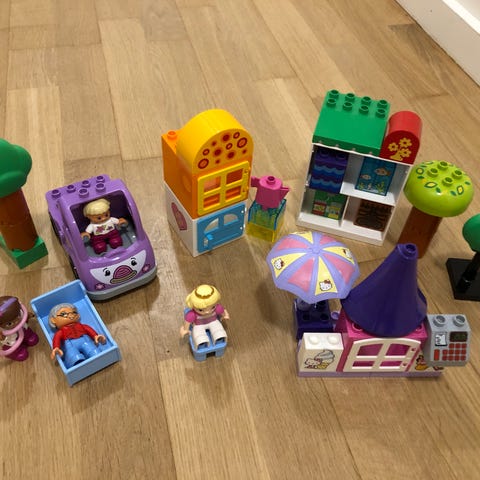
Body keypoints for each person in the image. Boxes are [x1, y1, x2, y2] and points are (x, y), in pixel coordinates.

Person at [49, 303, 106, 368]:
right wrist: (56, 348)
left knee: (92, 350)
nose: (71, 316)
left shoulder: (82, 326)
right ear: (53, 320)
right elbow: (56, 339)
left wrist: (95, 336)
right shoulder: (60, 332)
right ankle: (77, 364)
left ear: (78, 315)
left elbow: (89, 329)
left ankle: (96, 357)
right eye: (64, 314)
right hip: (69, 345)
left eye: (74, 313)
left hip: (84, 340)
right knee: (73, 356)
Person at [180, 284, 229, 349]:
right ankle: (202, 344)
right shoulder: (192, 314)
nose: (207, 312)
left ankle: (219, 339)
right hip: (198, 326)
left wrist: (225, 315)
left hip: (213, 322)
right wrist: (185, 330)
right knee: (199, 338)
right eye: (201, 310)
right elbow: (187, 322)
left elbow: (223, 311)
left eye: (213, 307)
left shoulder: (217, 308)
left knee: (219, 333)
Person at [0, 296, 38, 361]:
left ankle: (28, 337)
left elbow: (24, 314)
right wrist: (2, 337)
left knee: (27, 331)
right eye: (9, 323)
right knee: (12, 345)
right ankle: (15, 353)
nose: (16, 322)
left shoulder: (19, 312)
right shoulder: (2, 331)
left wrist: (27, 316)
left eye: (18, 316)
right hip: (10, 338)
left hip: (23, 328)